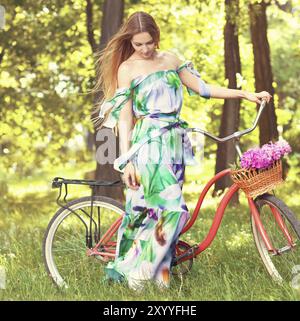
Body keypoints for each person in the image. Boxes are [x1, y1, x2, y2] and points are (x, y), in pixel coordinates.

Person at [91, 11, 272, 290]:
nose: (145, 49)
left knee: (158, 211)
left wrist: (244, 94)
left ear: (156, 36)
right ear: (131, 41)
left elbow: (202, 88)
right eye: (138, 44)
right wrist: (126, 160)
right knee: (175, 209)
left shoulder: (171, 59)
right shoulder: (127, 68)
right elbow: (125, 118)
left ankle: (161, 279)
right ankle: (138, 273)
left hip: (176, 141)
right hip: (148, 143)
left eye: (149, 42)